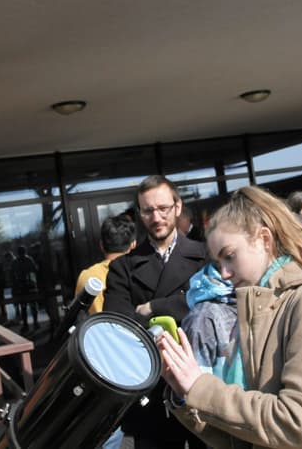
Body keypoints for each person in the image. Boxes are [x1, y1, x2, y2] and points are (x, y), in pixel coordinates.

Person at [157, 186, 302, 448]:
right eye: (218, 263)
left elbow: (295, 423)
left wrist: (200, 386)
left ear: (264, 240)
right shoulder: (261, 310)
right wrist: (184, 393)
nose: (224, 273)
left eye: (230, 256)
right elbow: (246, 435)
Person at [105, 175, 207, 449]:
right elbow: (118, 327)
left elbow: (212, 306)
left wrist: (154, 307)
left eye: (163, 208)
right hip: (149, 391)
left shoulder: (205, 256)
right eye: (148, 210)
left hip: (202, 383)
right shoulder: (122, 268)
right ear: (140, 213)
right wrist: (183, 302)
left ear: (177, 206)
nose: (156, 217)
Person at [74, 212, 137, 315]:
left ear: (102, 245)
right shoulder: (141, 272)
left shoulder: (87, 276)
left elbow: (78, 316)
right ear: (133, 244)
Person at [12, 245, 39, 331]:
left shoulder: (17, 261)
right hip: (28, 285)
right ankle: (34, 323)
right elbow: (34, 270)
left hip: (23, 286)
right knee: (31, 306)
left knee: (25, 306)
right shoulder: (28, 260)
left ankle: (28, 324)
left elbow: (13, 274)